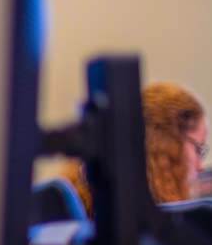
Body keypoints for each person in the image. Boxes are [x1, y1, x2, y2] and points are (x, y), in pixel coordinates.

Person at [62, 81, 208, 212]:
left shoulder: (69, 206)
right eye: (198, 149)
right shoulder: (161, 230)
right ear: (169, 149)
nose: (201, 166)